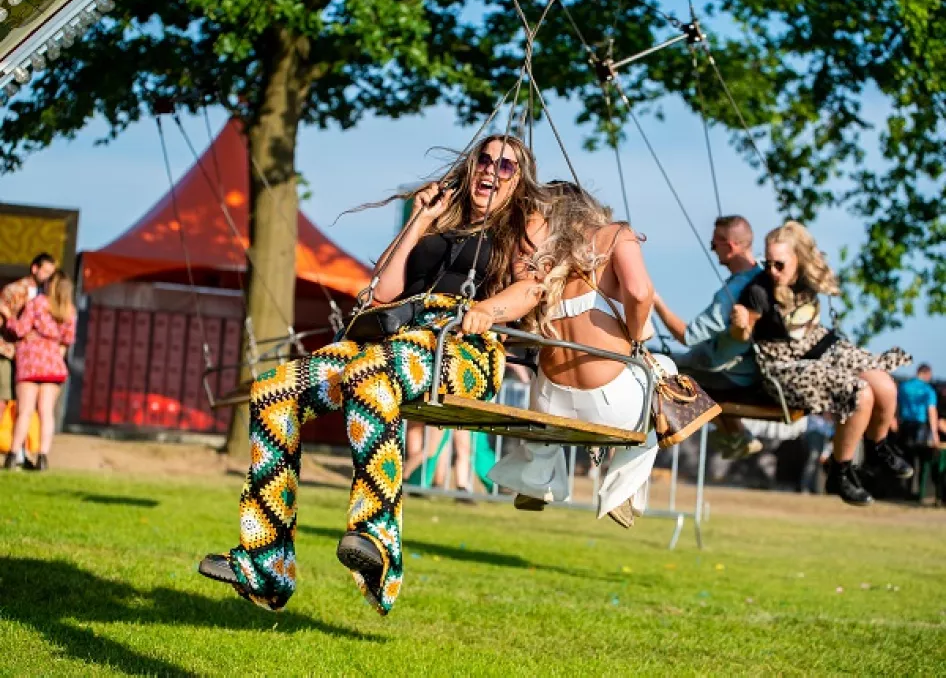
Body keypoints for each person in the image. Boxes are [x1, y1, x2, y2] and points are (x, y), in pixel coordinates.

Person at [199, 135, 551, 615]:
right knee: (274, 390)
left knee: (370, 372)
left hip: (463, 348)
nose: (491, 170)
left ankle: (377, 538)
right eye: (484, 160)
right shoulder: (439, 221)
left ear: (519, 178)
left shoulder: (522, 225)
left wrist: (487, 310)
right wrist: (421, 219)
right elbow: (383, 290)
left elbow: (531, 289)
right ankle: (266, 562)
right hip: (394, 336)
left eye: (506, 166)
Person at [488, 182, 667, 528]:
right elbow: (640, 291)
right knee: (663, 378)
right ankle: (622, 489)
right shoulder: (614, 235)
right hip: (611, 403)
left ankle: (537, 475)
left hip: (549, 401)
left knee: (544, 384)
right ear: (589, 207)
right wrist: (631, 334)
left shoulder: (537, 254)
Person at [730, 221, 913, 506]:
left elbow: (818, 269)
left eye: (780, 265)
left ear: (798, 260)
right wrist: (740, 324)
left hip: (818, 344)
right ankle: (839, 472)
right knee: (860, 393)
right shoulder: (759, 291)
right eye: (768, 264)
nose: (772, 272)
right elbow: (743, 335)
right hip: (782, 364)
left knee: (886, 385)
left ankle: (878, 445)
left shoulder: (808, 276)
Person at [652, 215, 763, 459]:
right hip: (746, 366)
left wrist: (655, 301)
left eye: (715, 245)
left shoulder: (731, 294)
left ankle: (736, 434)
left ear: (730, 245)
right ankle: (735, 432)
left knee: (656, 367)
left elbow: (687, 335)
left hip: (727, 372)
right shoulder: (763, 273)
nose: (714, 251)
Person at [2, 270, 76, 471]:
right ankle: (42, 457)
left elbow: (20, 329)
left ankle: (12, 456)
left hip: (31, 361)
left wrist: (7, 314)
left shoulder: (37, 303)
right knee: (46, 413)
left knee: (24, 411)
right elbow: (68, 339)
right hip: (53, 363)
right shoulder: (69, 310)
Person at [0, 252, 58, 470]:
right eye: (46, 271)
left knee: (25, 408)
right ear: (35, 269)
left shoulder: (47, 299)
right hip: (8, 352)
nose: (48, 276)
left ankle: (21, 453)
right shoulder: (14, 291)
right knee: (4, 400)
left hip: (30, 359)